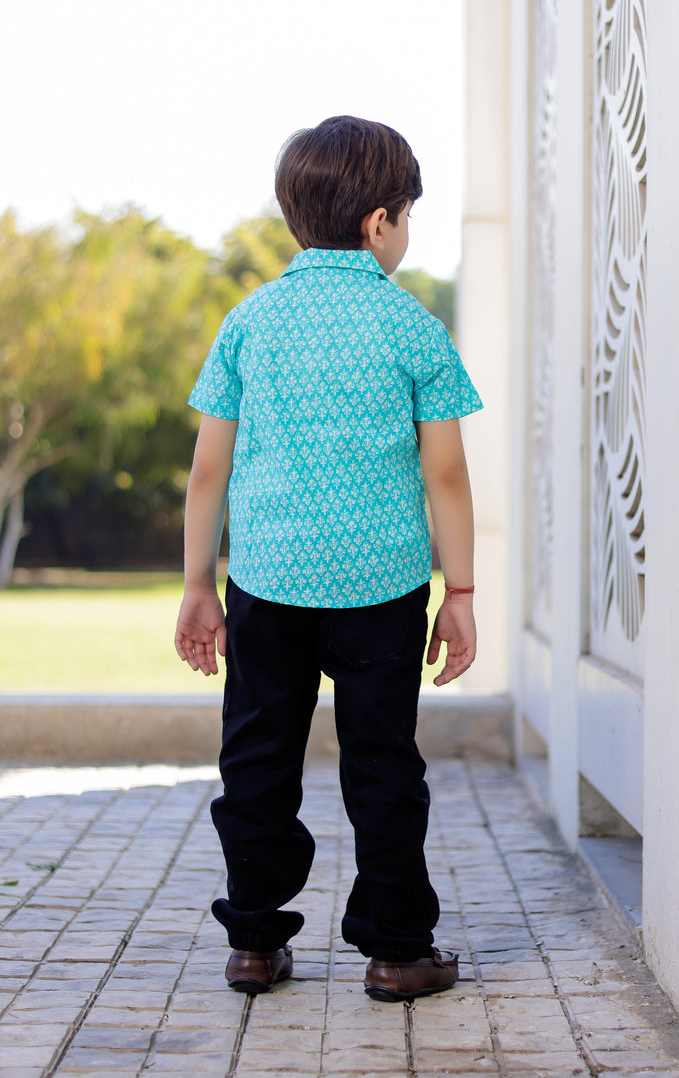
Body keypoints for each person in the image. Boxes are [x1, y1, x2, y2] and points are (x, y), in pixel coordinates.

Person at [174, 115, 483, 1003]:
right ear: (379, 222)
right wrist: (458, 592)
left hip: (268, 582)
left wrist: (199, 583)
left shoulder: (250, 322)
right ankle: (396, 950)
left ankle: (255, 943)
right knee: (383, 763)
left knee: (259, 760)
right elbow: (449, 475)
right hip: (381, 589)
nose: (407, 234)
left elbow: (207, 471)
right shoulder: (412, 327)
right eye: (409, 218)